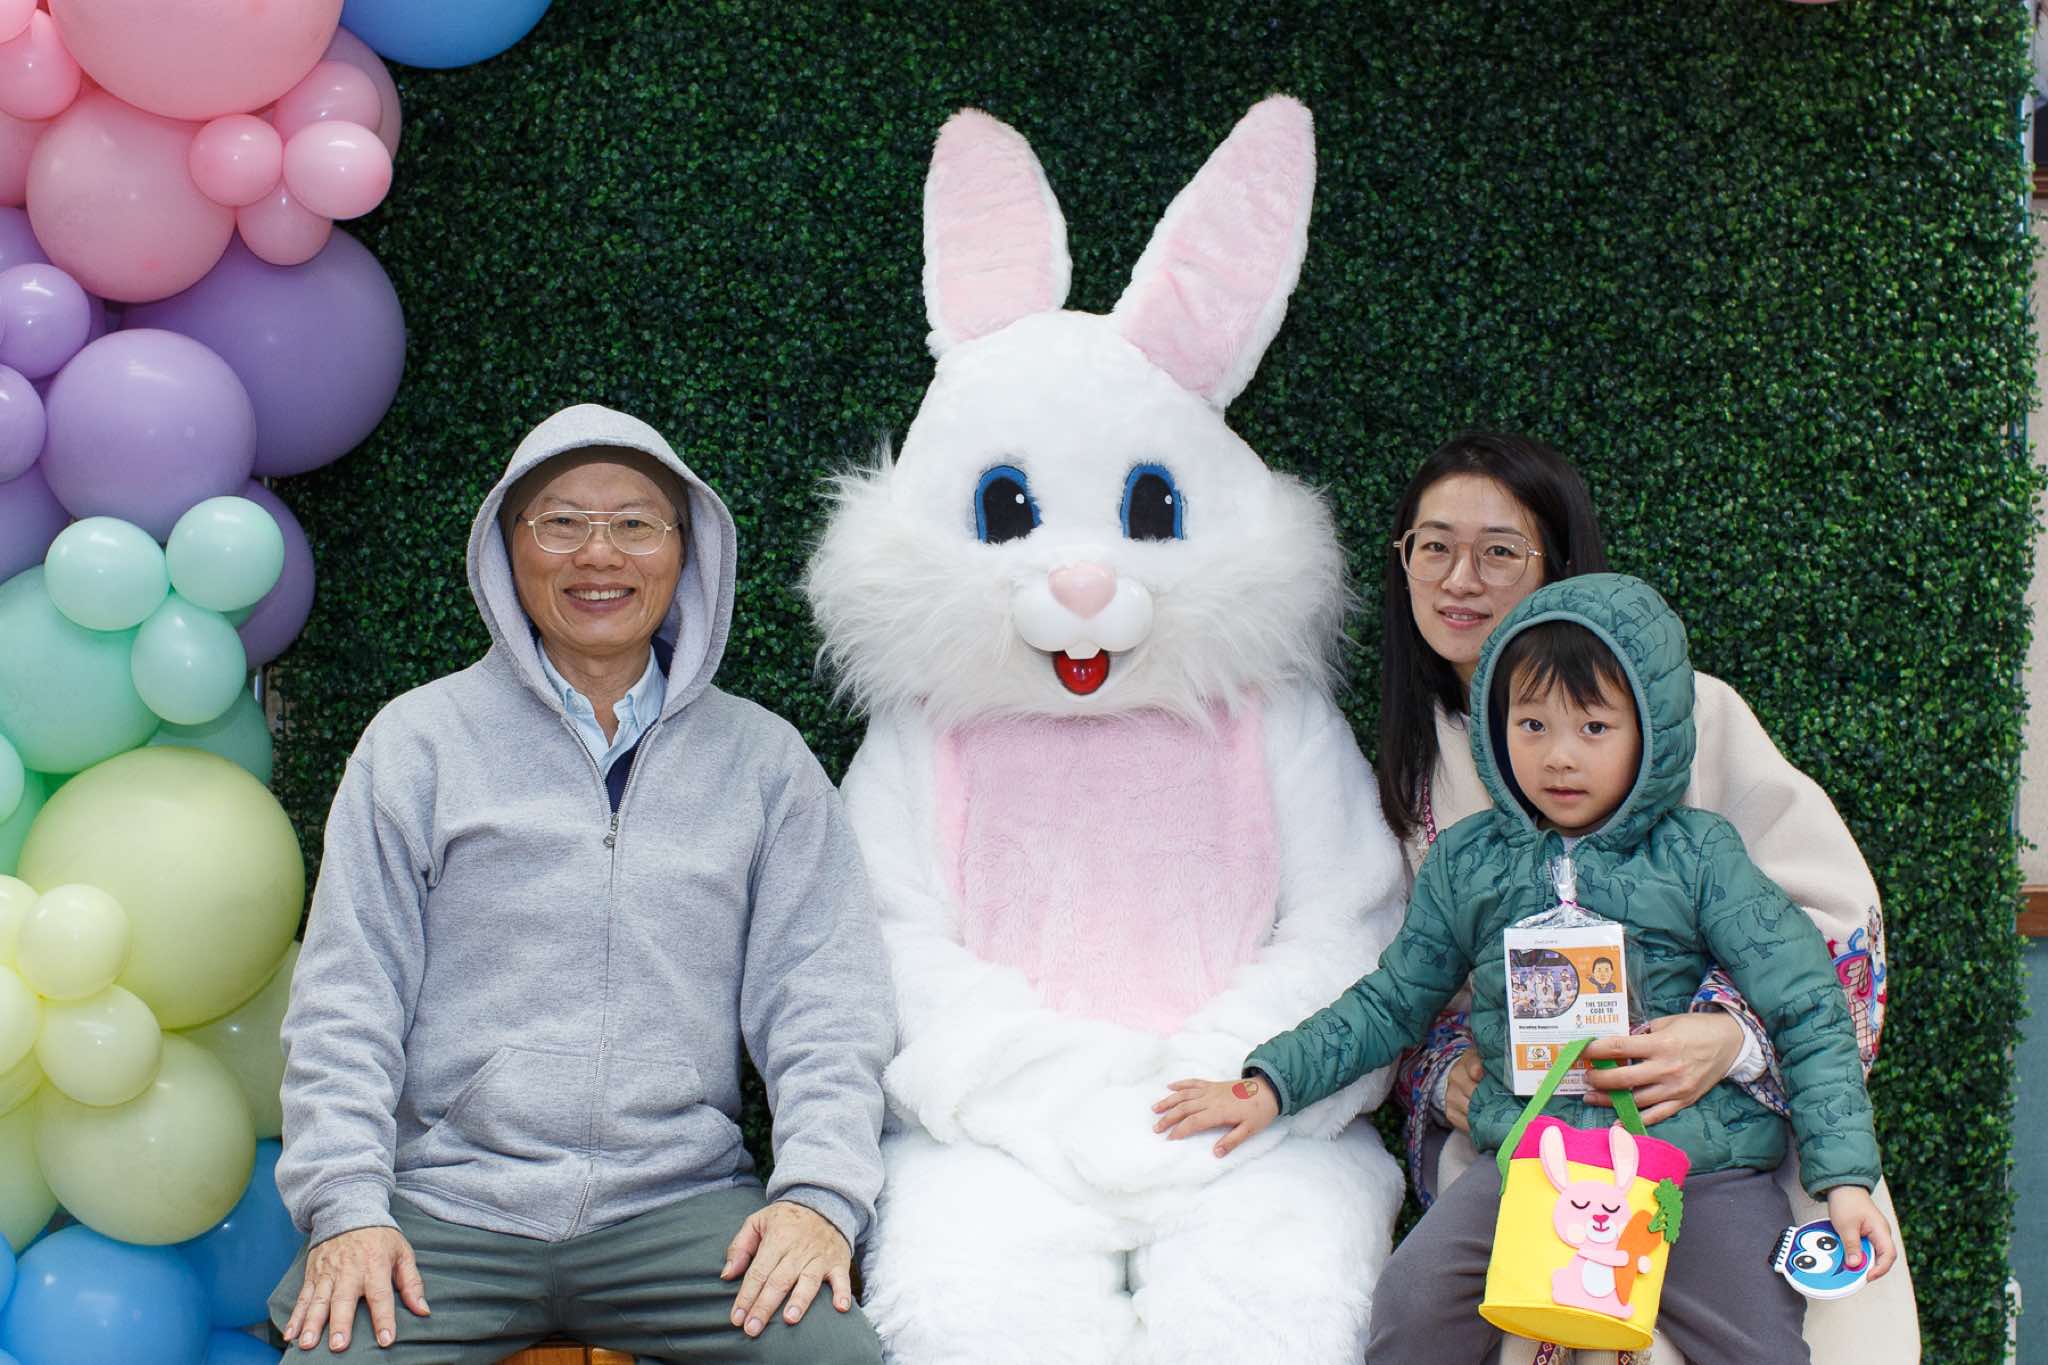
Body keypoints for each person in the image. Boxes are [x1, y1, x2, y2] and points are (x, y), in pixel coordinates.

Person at [269, 403, 893, 1363]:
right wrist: (347, 1206)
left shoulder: (764, 762)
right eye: (561, 522)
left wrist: (818, 1195)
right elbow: (347, 996)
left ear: (685, 549)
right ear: (506, 548)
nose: (599, 553)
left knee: (827, 1356)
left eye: (636, 523)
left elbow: (826, 1001)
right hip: (447, 1209)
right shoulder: (417, 743)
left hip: (680, 1207)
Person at [1153, 574, 1896, 1363]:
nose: (1560, 755)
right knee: (1412, 1302)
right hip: (1534, 1165)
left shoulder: (1700, 855)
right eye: (1532, 723)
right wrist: (1273, 1081)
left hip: (1697, 1170)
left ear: (1652, 730)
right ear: (1495, 724)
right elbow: (1392, 1001)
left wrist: (1844, 1182)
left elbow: (1806, 1002)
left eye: (1594, 726)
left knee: (1761, 1344)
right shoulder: (1469, 864)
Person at [1372, 433, 1914, 1357]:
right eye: (1433, 546)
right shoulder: (1412, 762)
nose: (1460, 578)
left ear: (1561, 567)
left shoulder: (1688, 713)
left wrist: (1728, 1037)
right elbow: (1399, 982)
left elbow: (1832, 926)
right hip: (1535, 1145)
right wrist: (1442, 1067)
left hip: (1712, 1140)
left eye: (1499, 550)